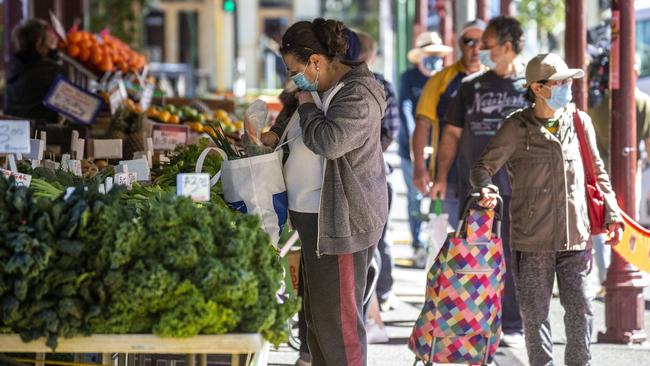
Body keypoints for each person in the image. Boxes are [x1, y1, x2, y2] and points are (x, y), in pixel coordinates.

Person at [470, 52, 624, 366]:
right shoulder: (516, 127)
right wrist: (485, 187)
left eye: (569, 81)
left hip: (575, 237)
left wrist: (613, 213)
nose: (568, 87)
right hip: (532, 240)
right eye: (560, 82)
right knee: (535, 316)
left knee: (581, 309)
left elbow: (598, 172)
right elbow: (482, 167)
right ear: (538, 88)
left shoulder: (579, 121)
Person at [273, 18, 388, 366]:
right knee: (318, 325)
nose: (294, 79)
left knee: (339, 329)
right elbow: (295, 127)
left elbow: (329, 140)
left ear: (316, 62)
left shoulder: (358, 94)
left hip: (341, 222)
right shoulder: (323, 87)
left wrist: (306, 98)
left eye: (295, 70)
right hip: (315, 221)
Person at [431, 15, 528, 347]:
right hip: (478, 189)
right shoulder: (470, 86)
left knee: (517, 259)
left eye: (486, 45)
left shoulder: (531, 87)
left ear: (507, 47)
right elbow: (450, 135)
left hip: (522, 190)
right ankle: (476, 322)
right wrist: (440, 176)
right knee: (475, 259)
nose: (479, 51)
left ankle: (512, 324)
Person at [410, 19, 485, 267]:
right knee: (450, 252)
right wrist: (419, 168)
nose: (475, 47)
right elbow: (422, 124)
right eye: (468, 41)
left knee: (483, 251)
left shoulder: (494, 81)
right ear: (458, 44)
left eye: (480, 41)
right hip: (448, 179)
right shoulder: (442, 80)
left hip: (488, 182)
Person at [587, 52, 650, 289]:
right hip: (628, 173)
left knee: (599, 225)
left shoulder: (597, 100)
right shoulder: (643, 101)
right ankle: (626, 266)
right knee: (626, 223)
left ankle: (606, 276)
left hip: (597, 173)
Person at [355, 30, 399, 316]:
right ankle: (379, 293)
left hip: (372, 172)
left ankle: (379, 293)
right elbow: (391, 131)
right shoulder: (383, 85)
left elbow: (390, 130)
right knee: (378, 236)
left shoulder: (381, 84)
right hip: (375, 169)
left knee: (376, 237)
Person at [398, 31, 451, 268]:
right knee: (415, 197)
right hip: (413, 148)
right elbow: (406, 109)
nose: (433, 59)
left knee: (438, 197)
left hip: (440, 146)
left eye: (436, 55)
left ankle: (436, 241)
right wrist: (415, 144)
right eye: (428, 55)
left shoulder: (446, 78)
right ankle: (417, 244)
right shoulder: (408, 78)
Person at [5, 18, 64, 126]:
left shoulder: (13, 70)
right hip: (44, 137)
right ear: (38, 44)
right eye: (51, 42)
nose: (54, 48)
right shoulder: (50, 71)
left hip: (15, 134)